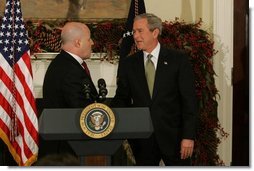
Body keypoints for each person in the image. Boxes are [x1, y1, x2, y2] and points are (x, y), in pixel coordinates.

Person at [111, 13, 198, 166]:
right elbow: (122, 99)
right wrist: (108, 118)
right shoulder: (129, 64)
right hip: (142, 140)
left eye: (140, 31)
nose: (135, 36)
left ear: (155, 32)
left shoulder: (178, 60)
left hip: (175, 138)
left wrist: (188, 136)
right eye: (134, 32)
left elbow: (189, 101)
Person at [40, 22, 98, 158]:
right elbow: (80, 109)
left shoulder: (64, 63)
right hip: (68, 149)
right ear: (78, 42)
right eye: (89, 39)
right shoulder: (68, 69)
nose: (92, 43)